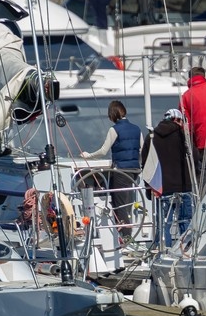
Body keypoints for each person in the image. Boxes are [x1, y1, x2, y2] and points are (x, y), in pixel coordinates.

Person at [80, 100, 142, 241]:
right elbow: (142, 149)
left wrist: (88, 155)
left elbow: (103, 151)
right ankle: (127, 232)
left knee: (118, 203)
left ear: (112, 115)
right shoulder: (137, 129)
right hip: (134, 171)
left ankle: (126, 236)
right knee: (127, 201)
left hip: (121, 170)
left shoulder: (114, 130)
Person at [141, 108, 193, 247]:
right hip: (184, 185)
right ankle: (186, 250)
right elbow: (195, 158)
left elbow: (145, 164)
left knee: (163, 223)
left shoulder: (151, 137)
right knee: (185, 221)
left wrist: (148, 190)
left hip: (161, 187)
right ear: (178, 120)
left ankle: (164, 251)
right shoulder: (183, 136)